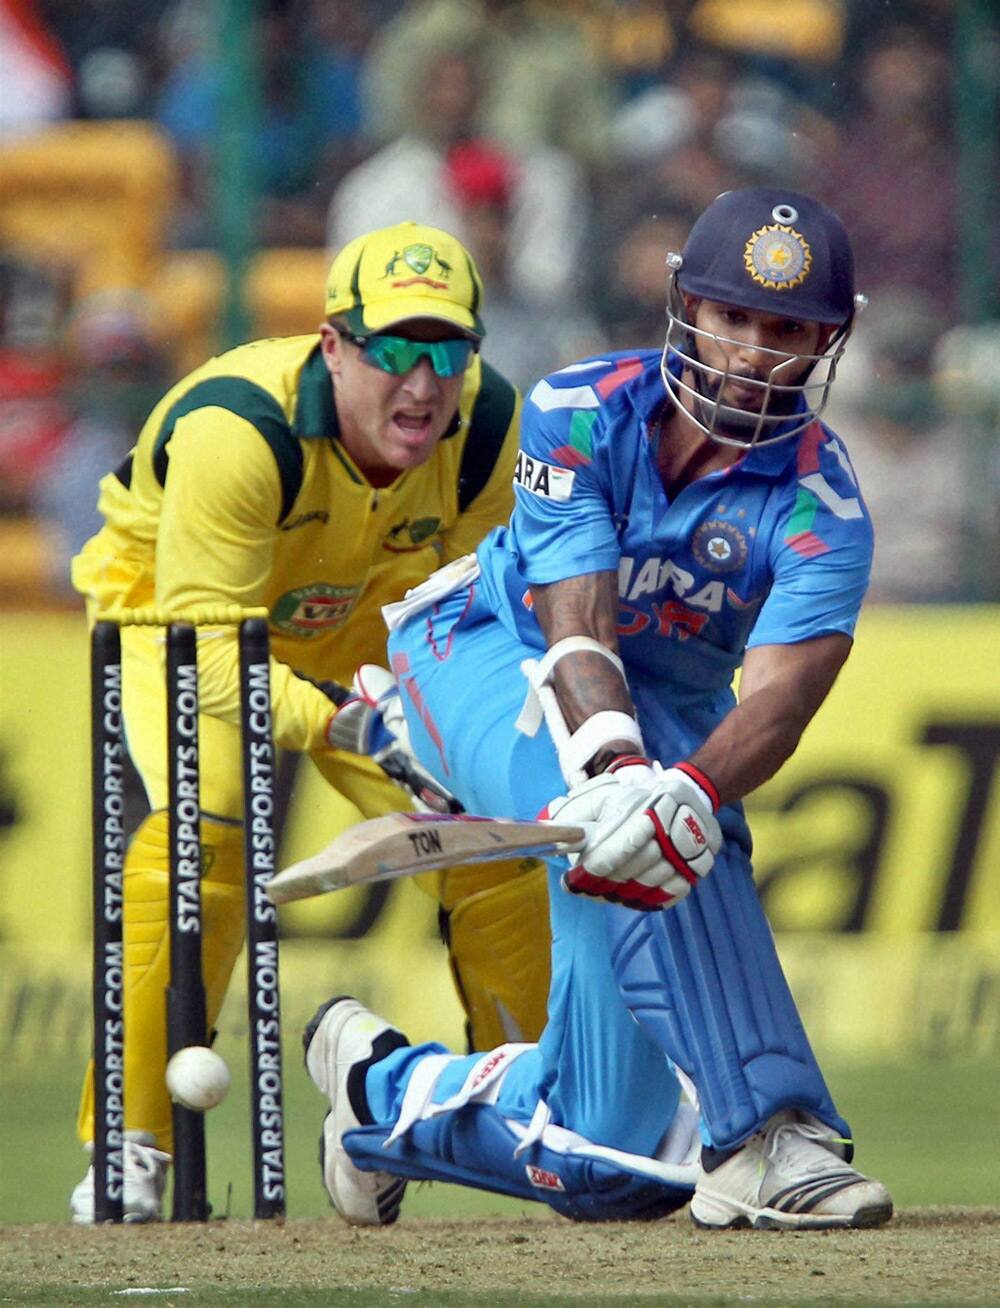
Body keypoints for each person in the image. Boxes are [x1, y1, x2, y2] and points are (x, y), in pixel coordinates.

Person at [302, 188, 895, 1230]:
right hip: (485, 652)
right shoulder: (578, 406)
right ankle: (764, 1133)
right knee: (649, 831)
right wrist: (627, 777)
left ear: (826, 343)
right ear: (684, 307)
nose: (756, 351)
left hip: (656, 726)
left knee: (609, 1158)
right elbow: (575, 625)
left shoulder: (822, 503)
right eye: (733, 318)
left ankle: (382, 1098)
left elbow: (782, 700)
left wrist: (692, 792)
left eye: (788, 330)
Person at [68, 221, 551, 1222]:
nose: (422, 384)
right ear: (333, 344)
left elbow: (479, 604)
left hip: (363, 621)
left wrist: (444, 722)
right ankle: (133, 1148)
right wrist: (352, 728)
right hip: (178, 617)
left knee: (498, 835)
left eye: (448, 352)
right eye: (393, 351)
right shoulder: (237, 431)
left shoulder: (487, 430)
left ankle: (555, 1116)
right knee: (204, 836)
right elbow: (212, 657)